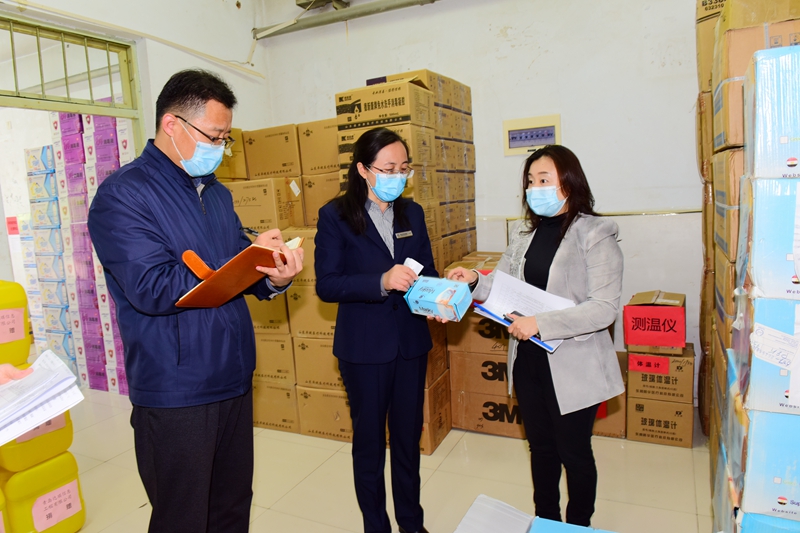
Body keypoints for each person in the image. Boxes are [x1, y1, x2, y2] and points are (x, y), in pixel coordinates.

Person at [87, 69, 303, 533]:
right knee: (183, 518)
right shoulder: (123, 195)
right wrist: (236, 260)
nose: (221, 148)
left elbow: (241, 269)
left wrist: (274, 274)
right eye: (214, 136)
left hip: (233, 376)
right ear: (172, 125)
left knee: (231, 509)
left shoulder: (216, 193)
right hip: (177, 388)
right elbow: (152, 286)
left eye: (227, 139)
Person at [448, 145, 624, 526]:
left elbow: (604, 307)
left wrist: (542, 323)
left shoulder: (595, 234)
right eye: (530, 181)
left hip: (573, 366)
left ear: (569, 183)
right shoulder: (524, 232)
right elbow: (503, 285)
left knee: (574, 453)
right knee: (541, 449)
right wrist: (474, 280)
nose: (534, 188)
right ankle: (545, 520)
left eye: (544, 179)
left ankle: (577, 525)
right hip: (528, 360)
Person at [315, 127, 436, 533]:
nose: (397, 176)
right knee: (369, 444)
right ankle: (376, 526)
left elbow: (426, 270)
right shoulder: (335, 216)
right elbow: (327, 284)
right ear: (363, 169)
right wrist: (381, 282)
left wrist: (441, 296)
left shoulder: (412, 213)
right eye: (388, 168)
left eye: (404, 168)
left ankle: (412, 523)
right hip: (364, 349)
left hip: (410, 343)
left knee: (407, 440)